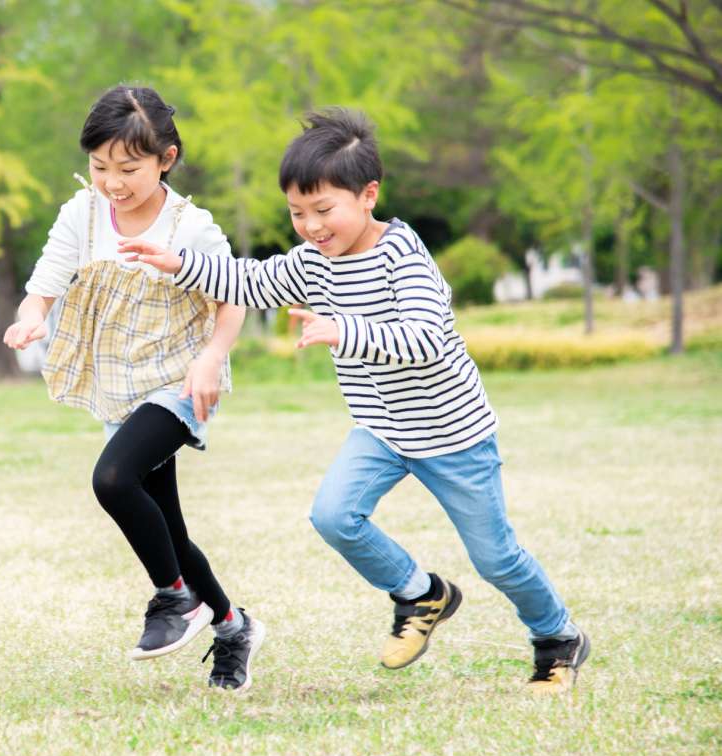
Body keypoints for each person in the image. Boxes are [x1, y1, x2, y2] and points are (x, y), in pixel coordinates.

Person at [119, 108, 588, 695]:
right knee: (334, 516)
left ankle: (556, 637)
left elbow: (425, 337)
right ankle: (422, 593)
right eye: (296, 213)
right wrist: (181, 264)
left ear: (368, 196)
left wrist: (345, 331)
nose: (311, 227)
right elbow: (250, 280)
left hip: (452, 436)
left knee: (496, 558)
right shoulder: (313, 263)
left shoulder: (404, 257)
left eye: (323, 211)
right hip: (381, 431)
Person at [4, 85, 266, 690]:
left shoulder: (190, 227)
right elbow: (48, 276)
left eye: (128, 168)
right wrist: (32, 315)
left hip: (179, 378)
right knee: (168, 530)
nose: (113, 182)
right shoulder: (84, 212)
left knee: (113, 480)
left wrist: (212, 359)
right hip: (119, 383)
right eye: (100, 167)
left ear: (165, 159)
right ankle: (232, 627)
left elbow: (231, 302)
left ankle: (174, 599)